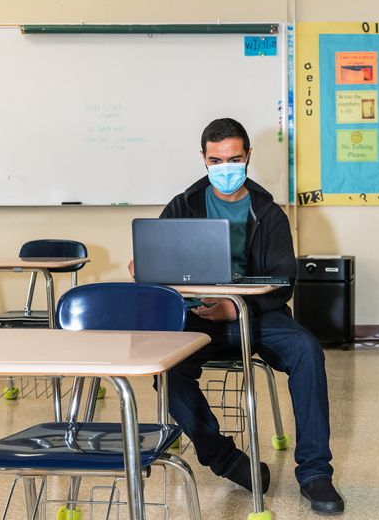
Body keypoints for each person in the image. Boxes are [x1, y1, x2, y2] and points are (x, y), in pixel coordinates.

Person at [132, 118, 344, 514]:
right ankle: (228, 460)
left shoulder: (269, 212)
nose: (224, 167)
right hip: (196, 317)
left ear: (248, 156)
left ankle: (315, 474)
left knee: (307, 351)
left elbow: (283, 283)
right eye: (215, 160)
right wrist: (144, 266)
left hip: (260, 316)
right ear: (203, 158)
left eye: (232, 158)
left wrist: (234, 307)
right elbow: (157, 267)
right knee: (167, 368)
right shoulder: (184, 204)